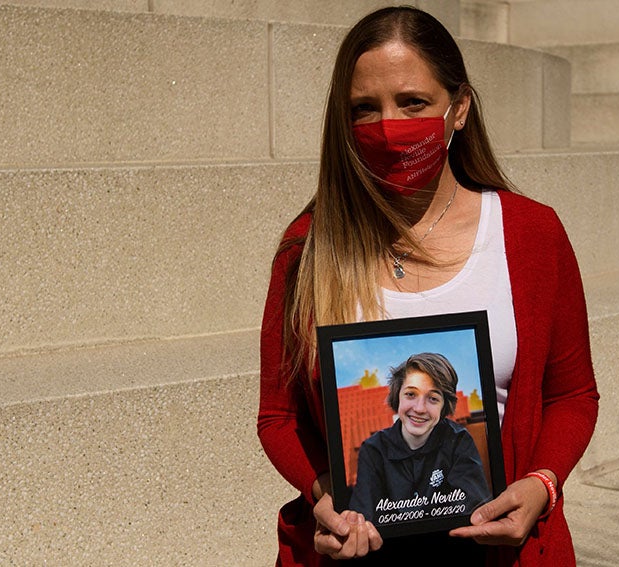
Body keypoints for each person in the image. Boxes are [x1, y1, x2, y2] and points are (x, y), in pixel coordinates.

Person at [256, 6, 599, 566]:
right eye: (365, 109)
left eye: (412, 102)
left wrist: (540, 484)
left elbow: (572, 395)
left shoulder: (532, 234)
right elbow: (279, 417)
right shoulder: (308, 249)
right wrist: (323, 495)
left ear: (458, 109)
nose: (389, 127)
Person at [348, 353, 491, 527]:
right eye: (410, 394)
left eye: (433, 398)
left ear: (444, 406)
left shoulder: (459, 441)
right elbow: (364, 522)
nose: (420, 408)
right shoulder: (373, 449)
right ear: (397, 396)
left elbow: (474, 511)